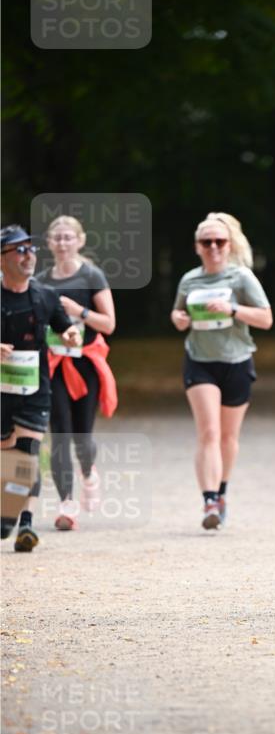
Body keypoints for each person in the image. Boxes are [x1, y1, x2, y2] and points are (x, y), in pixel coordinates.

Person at [171, 212, 273, 529]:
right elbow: (177, 313)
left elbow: (266, 319)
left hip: (237, 361)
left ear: (228, 245)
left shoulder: (241, 278)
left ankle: (222, 491)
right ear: (197, 246)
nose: (213, 246)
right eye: (207, 242)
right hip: (200, 361)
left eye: (219, 241)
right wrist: (179, 319)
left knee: (228, 437)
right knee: (209, 433)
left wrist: (232, 309)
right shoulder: (189, 279)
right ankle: (209, 501)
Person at [1, 224, 81, 551]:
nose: (28, 255)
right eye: (19, 250)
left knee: (29, 455)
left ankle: (26, 524)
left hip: (35, 389)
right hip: (1, 392)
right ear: (2, 258)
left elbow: (65, 328)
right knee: (7, 458)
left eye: (31, 249)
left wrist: (71, 335)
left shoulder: (45, 296)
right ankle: (7, 513)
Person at [36, 216, 117, 531]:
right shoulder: (42, 280)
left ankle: (88, 472)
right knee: (60, 434)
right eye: (57, 238)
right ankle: (67, 505)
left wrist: (77, 311)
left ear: (80, 241)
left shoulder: (91, 275)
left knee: (82, 436)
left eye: (68, 237)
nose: (62, 243)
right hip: (54, 364)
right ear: (49, 243)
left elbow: (109, 324)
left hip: (85, 364)